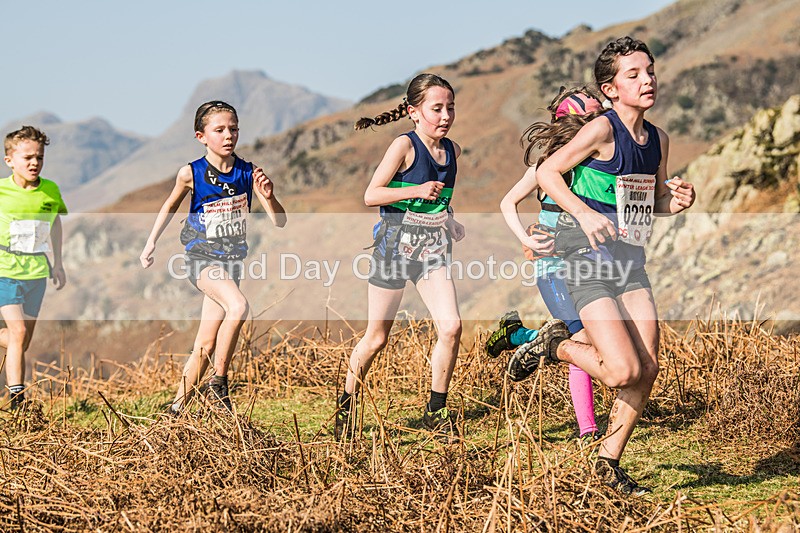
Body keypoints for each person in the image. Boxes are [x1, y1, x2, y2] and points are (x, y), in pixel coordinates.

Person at [511, 37, 696, 495]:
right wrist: (584, 213)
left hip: (631, 262)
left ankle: (607, 463)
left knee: (647, 367)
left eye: (649, 70)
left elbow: (649, 203)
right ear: (610, 89)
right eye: (633, 74)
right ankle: (557, 344)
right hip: (585, 259)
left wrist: (675, 201)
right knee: (619, 371)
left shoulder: (658, 140)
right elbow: (548, 174)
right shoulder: (600, 131)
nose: (647, 79)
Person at [336, 73, 466, 440]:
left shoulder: (453, 152)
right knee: (377, 338)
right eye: (436, 108)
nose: (445, 116)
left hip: (433, 252)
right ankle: (346, 405)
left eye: (450, 108)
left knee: (452, 327)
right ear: (414, 112)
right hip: (393, 250)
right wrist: (417, 188)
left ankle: (435, 412)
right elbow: (371, 195)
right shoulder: (404, 146)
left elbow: (438, 200)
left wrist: (450, 220)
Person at [140, 100, 287, 414]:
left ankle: (175, 411)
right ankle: (219, 382)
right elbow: (169, 206)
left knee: (204, 345)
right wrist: (151, 242)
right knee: (239, 305)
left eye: (233, 129)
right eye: (219, 130)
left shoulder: (249, 172)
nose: (228, 135)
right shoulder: (190, 173)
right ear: (201, 136)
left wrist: (270, 196)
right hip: (202, 260)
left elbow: (280, 221)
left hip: (232, 264)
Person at [485, 88, 606, 445]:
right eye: (592, 119)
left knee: (590, 336)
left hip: (588, 263)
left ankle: (518, 336)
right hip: (551, 267)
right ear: (571, 126)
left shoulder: (598, 165)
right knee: (581, 337)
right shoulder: (546, 167)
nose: (601, 125)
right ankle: (588, 431)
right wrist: (526, 237)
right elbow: (508, 202)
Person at [0, 126, 68, 411]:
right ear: (9, 160)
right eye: (27, 157)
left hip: (36, 273)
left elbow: (55, 224)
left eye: (39, 157)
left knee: (22, 341)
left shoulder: (50, 190)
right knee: (16, 333)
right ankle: (18, 399)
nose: (34, 163)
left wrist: (58, 262)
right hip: (5, 270)